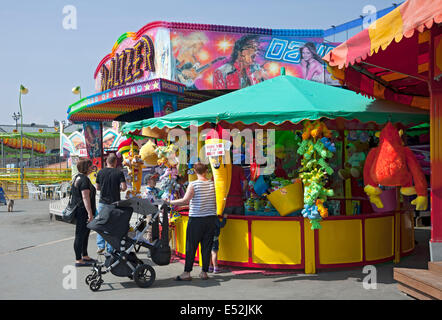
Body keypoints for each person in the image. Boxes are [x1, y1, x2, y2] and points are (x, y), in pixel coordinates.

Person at [168, 162, 217, 281]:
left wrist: (169, 202)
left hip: (196, 219)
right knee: (206, 246)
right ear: (206, 171)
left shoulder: (193, 184)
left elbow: (185, 200)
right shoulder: (212, 184)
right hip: (210, 219)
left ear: (195, 171)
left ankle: (187, 272)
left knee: (191, 246)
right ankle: (204, 272)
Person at [95, 153, 127, 254]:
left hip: (102, 202)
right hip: (114, 203)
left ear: (106, 161)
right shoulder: (119, 172)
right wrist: (119, 189)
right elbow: (124, 187)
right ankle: (110, 249)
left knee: (101, 224)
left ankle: (100, 245)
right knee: (112, 226)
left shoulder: (100, 172)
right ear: (115, 162)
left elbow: (97, 187)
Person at [71, 159, 96, 267]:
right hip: (83, 212)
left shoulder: (77, 177)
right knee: (80, 235)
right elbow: (85, 198)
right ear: (86, 167)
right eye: (91, 166)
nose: (92, 167)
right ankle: (78, 259)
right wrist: (90, 213)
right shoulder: (84, 180)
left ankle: (84, 255)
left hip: (80, 210)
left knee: (85, 234)